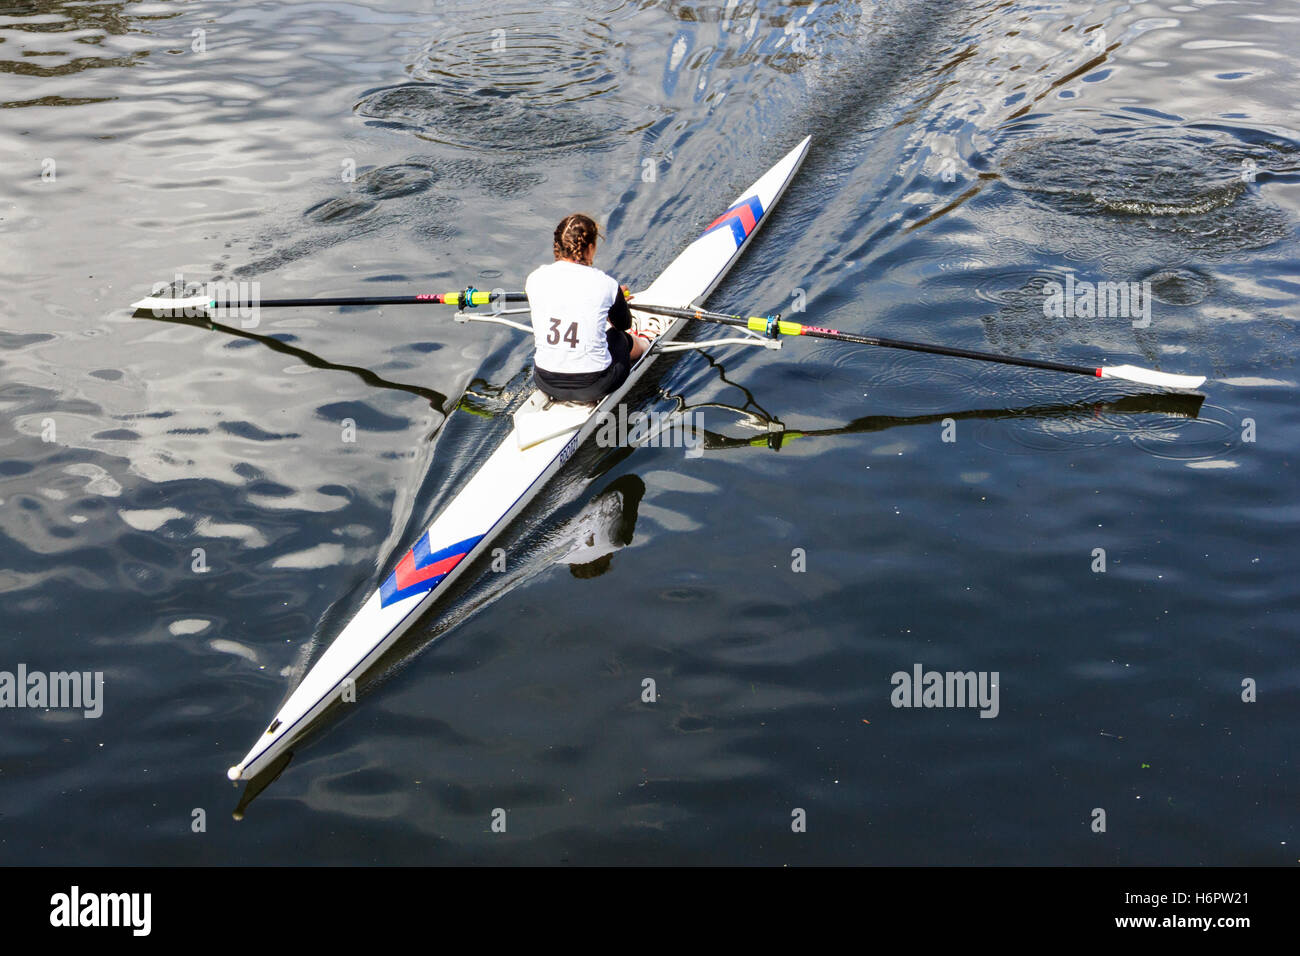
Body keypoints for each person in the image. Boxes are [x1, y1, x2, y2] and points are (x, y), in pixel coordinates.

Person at [526, 213, 649, 404]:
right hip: (595, 385)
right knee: (619, 337)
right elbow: (623, 323)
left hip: (544, 380)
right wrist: (616, 299)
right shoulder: (606, 284)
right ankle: (646, 343)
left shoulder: (534, 279)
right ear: (590, 247)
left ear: (558, 246)